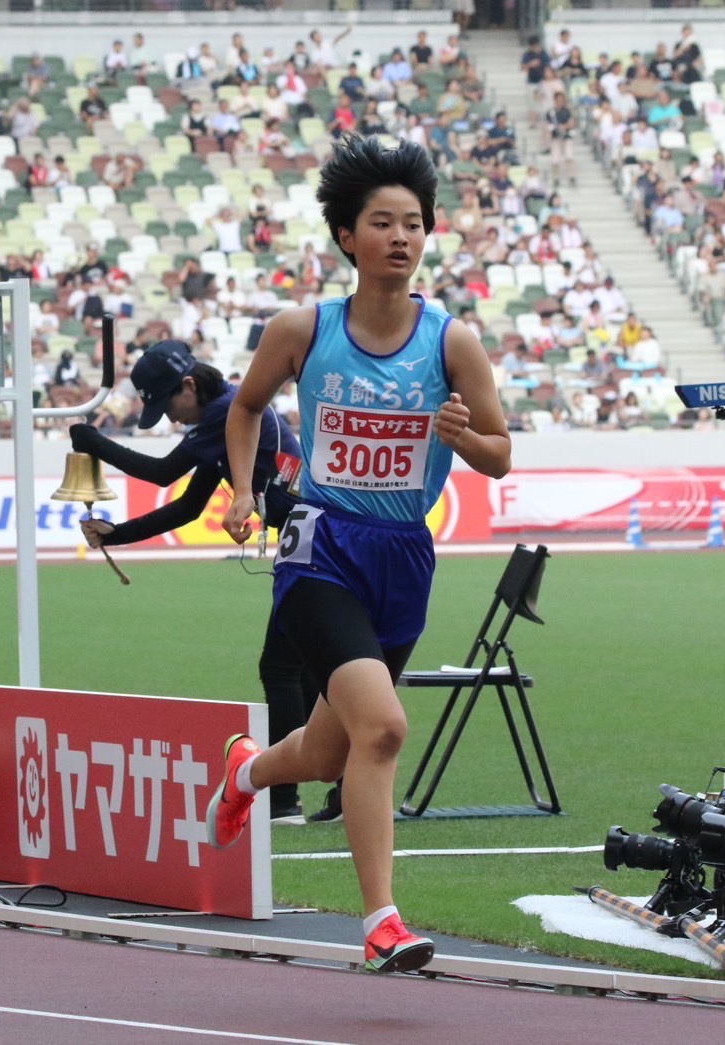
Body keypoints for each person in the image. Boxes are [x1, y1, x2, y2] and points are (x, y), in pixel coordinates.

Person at [207, 136, 511, 973]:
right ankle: (380, 920)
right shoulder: (303, 329)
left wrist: (464, 436)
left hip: (404, 556)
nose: (401, 237)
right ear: (347, 236)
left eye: (414, 223)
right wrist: (242, 488)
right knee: (382, 728)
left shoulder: (453, 342)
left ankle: (245, 773)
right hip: (320, 545)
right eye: (382, 222)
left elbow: (499, 453)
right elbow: (245, 410)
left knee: (332, 746)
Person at [69, 340, 313, 823]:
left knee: (283, 669)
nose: (170, 419)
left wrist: (92, 441)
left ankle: (285, 801)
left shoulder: (227, 414)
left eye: (168, 406)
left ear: (189, 385)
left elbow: (162, 474)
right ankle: (337, 792)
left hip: (306, 540)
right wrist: (117, 535)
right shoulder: (224, 418)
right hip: (307, 535)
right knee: (311, 670)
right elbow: (187, 507)